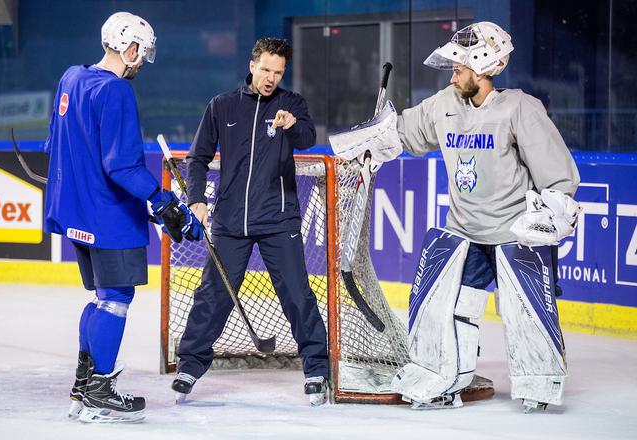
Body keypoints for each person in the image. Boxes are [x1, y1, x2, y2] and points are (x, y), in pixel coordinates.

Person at [330, 22, 580, 412]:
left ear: (483, 65)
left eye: (459, 67)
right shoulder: (445, 104)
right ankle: (444, 378)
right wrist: (375, 140)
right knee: (447, 311)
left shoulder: (519, 108)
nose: (453, 73)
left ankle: (538, 383)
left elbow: (558, 175)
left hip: (515, 235)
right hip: (464, 233)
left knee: (526, 314)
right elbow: (405, 133)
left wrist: (554, 210)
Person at [43, 11, 202, 423]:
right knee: (116, 298)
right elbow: (122, 166)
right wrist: (165, 201)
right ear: (129, 48)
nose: (139, 63)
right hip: (108, 216)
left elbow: (57, 146)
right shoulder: (115, 91)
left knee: (101, 297)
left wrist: (152, 204)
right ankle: (99, 390)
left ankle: (84, 383)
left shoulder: (70, 78)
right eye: (141, 54)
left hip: (77, 211)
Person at [172, 38, 329, 406]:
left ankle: (317, 368)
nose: (271, 78)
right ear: (252, 64)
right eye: (266, 70)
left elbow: (308, 137)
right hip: (229, 221)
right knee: (213, 293)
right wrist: (196, 199)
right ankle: (190, 365)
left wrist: (291, 126)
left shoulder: (291, 104)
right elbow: (197, 158)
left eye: (278, 72)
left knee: (297, 294)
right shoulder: (222, 105)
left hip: (279, 219)